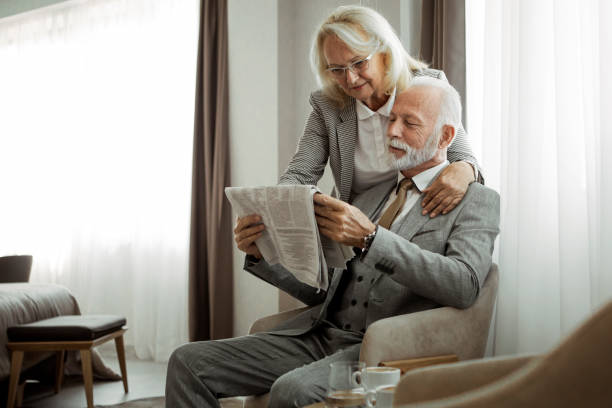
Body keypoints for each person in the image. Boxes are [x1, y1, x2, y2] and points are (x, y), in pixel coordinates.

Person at [165, 77, 500, 408]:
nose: (393, 131)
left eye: (409, 123)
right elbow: (320, 287)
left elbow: (464, 285)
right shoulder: (370, 195)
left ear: (446, 136)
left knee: (292, 391)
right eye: (391, 119)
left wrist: (370, 239)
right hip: (317, 336)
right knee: (187, 363)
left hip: (383, 348)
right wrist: (263, 254)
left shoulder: (477, 201)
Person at [280, 5, 482, 218]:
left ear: (385, 53)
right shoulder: (328, 106)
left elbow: (464, 158)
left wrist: (464, 169)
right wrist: (268, 209)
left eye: (359, 63)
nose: (350, 79)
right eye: (337, 70)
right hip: (355, 223)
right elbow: (299, 175)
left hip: (419, 218)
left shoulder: (428, 87)